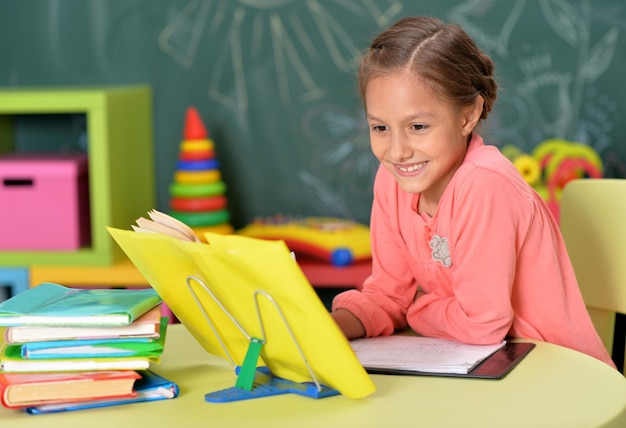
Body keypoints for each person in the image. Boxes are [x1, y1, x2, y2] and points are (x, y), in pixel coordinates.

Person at [330, 16, 615, 368]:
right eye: (380, 127)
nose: (397, 150)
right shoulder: (393, 181)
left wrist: (416, 308)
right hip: (482, 369)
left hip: (554, 374)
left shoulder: (485, 185)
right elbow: (387, 296)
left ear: (468, 115)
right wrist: (328, 329)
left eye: (418, 126)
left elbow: (482, 325)